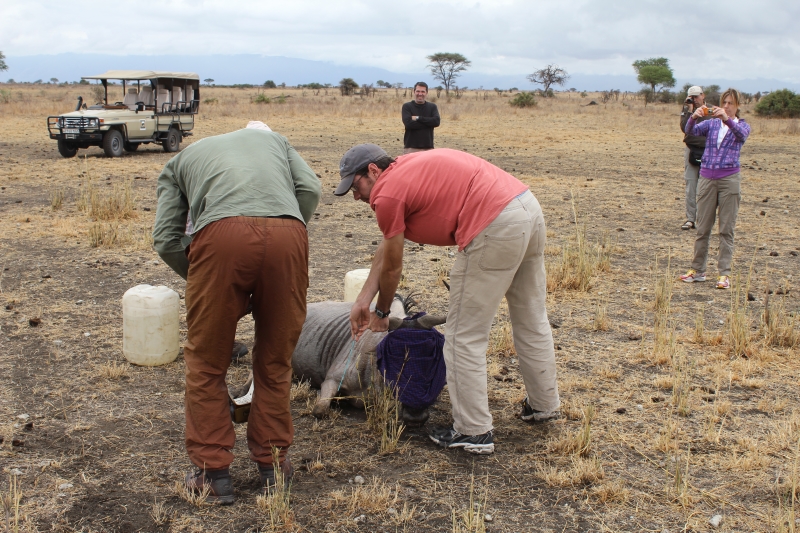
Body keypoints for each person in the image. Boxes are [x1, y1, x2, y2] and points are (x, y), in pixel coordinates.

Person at [334, 145, 560, 455]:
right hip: (525, 207)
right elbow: (388, 247)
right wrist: (364, 299)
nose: (356, 196)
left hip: (493, 223)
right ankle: (544, 406)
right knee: (531, 318)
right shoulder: (404, 169)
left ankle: (473, 431)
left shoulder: (386, 194)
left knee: (462, 335)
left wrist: (383, 311)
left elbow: (393, 268)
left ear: (373, 170)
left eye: (355, 186)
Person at [153, 125, 321, 504]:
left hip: (220, 239)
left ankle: (212, 475)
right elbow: (311, 189)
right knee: (275, 360)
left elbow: (165, 240)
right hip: (289, 235)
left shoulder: (178, 163)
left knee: (206, 363)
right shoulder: (274, 139)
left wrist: (203, 280)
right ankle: (274, 466)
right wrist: (284, 231)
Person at [679, 88, 750, 290]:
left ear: (737, 106)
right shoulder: (711, 124)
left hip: (729, 179)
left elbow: (741, 136)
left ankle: (724, 274)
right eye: (724, 103)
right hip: (707, 178)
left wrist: (727, 120)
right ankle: (697, 270)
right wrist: (694, 116)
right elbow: (690, 131)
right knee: (703, 227)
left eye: (730, 103)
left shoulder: (742, 125)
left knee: (726, 229)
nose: (726, 106)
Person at [680, 86, 710, 230]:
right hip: (691, 149)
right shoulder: (688, 110)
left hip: (708, 150)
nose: (695, 99)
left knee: (706, 187)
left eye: (697, 96)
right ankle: (690, 219)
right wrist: (690, 111)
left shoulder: (711, 111)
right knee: (691, 185)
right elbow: (684, 128)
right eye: (692, 97)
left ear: (703, 95)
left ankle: (703, 219)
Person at [401, 82, 440, 154]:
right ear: (414, 92)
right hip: (411, 147)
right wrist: (429, 123)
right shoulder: (407, 106)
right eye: (418, 91)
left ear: (426, 93)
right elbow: (408, 124)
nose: (420, 94)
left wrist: (418, 118)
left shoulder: (432, 107)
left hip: (428, 148)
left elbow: (436, 122)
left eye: (423, 91)